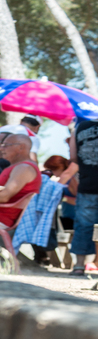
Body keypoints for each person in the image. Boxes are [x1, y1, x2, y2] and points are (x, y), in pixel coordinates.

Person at [0, 133, 40, 229]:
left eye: (6, 145)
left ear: (21, 147)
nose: (1, 149)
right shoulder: (20, 166)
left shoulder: (24, 168)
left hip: (0, 219)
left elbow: (4, 197)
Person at [69, 117, 98, 275]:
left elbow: (73, 157)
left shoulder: (79, 127)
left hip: (88, 184)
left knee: (83, 225)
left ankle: (79, 265)